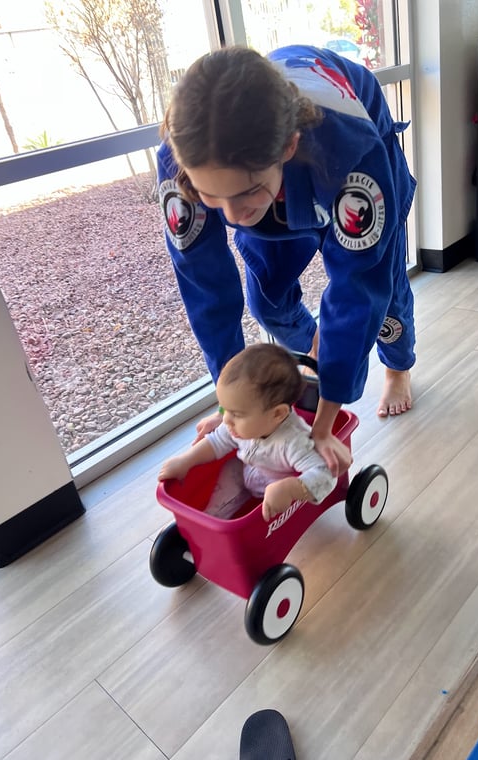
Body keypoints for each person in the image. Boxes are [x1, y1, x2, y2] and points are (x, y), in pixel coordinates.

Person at [157, 44, 416, 476]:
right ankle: (318, 352)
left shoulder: (352, 149)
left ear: (290, 146)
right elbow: (206, 289)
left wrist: (325, 422)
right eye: (211, 196)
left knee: (382, 295)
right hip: (278, 181)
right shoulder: (179, 158)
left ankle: (398, 364)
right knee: (268, 301)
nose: (232, 216)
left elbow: (359, 286)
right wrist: (231, 408)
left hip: (339, 154)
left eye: (245, 192)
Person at [158, 344, 335, 522]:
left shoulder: (293, 441)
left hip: (275, 490)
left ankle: (223, 526)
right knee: (231, 466)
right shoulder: (239, 426)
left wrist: (289, 489)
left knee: (271, 503)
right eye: (223, 409)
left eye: (236, 414)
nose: (226, 419)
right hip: (248, 472)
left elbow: (325, 476)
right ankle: (211, 518)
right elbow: (216, 441)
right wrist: (186, 461)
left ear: (277, 414)